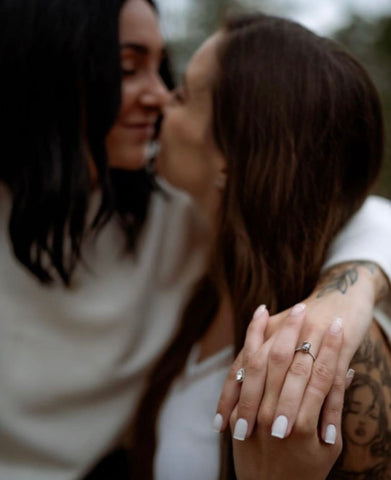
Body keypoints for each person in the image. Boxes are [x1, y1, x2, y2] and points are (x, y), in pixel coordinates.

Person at [0, 1, 391, 479]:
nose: (162, 96)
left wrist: (349, 295)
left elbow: (358, 212)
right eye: (126, 68)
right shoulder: (197, 246)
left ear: (234, 157)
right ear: (47, 70)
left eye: (178, 88)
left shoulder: (167, 210)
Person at [130, 12, 391, 480]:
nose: (163, 103)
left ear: (232, 156)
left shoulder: (332, 361)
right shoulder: (198, 266)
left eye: (185, 95)